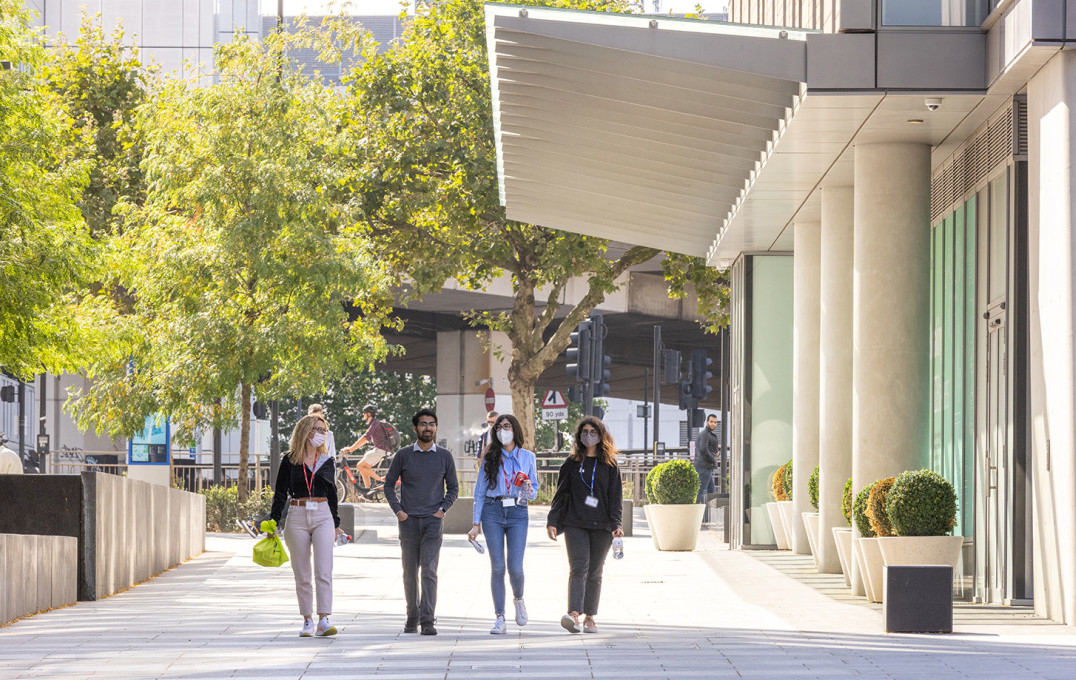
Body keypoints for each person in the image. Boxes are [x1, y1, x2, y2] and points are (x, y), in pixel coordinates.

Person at [268, 413, 346, 637]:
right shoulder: (290, 460)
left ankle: (324, 620)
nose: (321, 434)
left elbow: (332, 495)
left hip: (322, 515)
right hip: (297, 515)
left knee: (324, 570)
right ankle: (307, 621)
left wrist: (336, 525)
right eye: (317, 429)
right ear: (305, 431)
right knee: (302, 573)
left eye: (323, 430)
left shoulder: (327, 461)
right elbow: (280, 493)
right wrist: (274, 522)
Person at [383, 407, 459, 636]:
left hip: (432, 522)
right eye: (424, 424)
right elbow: (388, 485)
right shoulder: (404, 455)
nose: (428, 428)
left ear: (436, 427)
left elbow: (453, 488)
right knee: (409, 571)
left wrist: (442, 509)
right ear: (415, 428)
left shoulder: (444, 456)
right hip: (408, 521)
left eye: (432, 424)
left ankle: (427, 620)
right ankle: (411, 616)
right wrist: (398, 511)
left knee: (429, 571)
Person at [546, 416, 623, 634]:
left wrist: (617, 524)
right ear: (579, 436)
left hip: (603, 525)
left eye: (593, 432)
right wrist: (552, 521)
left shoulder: (609, 464)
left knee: (595, 572)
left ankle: (590, 617)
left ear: (601, 435)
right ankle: (573, 615)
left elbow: (615, 498)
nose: (588, 436)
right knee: (578, 568)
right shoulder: (571, 463)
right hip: (575, 523)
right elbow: (560, 495)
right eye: (584, 432)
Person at [467, 413, 538, 635]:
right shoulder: (490, 457)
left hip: (518, 512)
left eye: (506, 426)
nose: (502, 431)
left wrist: (527, 487)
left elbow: (534, 492)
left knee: (515, 567)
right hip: (492, 511)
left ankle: (518, 599)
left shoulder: (527, 457)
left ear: (515, 430)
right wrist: (475, 523)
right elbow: (479, 492)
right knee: (497, 567)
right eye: (498, 428)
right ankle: (499, 617)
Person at [340, 404, 390, 495]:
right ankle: (368, 493)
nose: (363, 415)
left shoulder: (375, 423)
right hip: (380, 449)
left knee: (360, 466)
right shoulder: (375, 423)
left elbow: (365, 438)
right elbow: (367, 439)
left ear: (369, 414)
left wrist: (351, 448)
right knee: (363, 467)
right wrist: (352, 449)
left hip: (380, 450)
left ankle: (381, 481)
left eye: (364, 413)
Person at [694, 413, 720, 507]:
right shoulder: (705, 434)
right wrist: (713, 458)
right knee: (701, 491)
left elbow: (710, 448)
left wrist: (716, 452)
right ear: (707, 422)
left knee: (710, 489)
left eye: (715, 422)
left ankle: (705, 514)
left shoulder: (709, 434)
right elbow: (703, 449)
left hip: (707, 467)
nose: (713, 424)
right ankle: (699, 514)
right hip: (703, 467)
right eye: (711, 421)